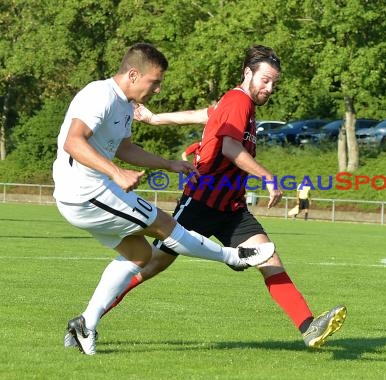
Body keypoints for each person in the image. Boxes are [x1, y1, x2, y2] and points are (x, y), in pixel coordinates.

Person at [93, 45, 347, 349]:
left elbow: (204, 115)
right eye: (265, 80)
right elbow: (229, 148)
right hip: (201, 201)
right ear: (248, 73)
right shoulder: (238, 100)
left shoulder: (239, 105)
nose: (269, 88)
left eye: (274, 83)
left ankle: (309, 327)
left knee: (269, 258)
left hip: (231, 208)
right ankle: (87, 321)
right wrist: (267, 177)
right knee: (149, 264)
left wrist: (157, 119)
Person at [54, 43, 274, 355]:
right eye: (154, 82)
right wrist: (116, 173)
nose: (157, 90)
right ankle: (232, 257)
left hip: (94, 190)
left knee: (139, 256)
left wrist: (168, 164)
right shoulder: (99, 95)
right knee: (165, 226)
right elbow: (74, 142)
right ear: (133, 74)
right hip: (85, 193)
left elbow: (125, 148)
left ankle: (85, 324)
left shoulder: (123, 103)